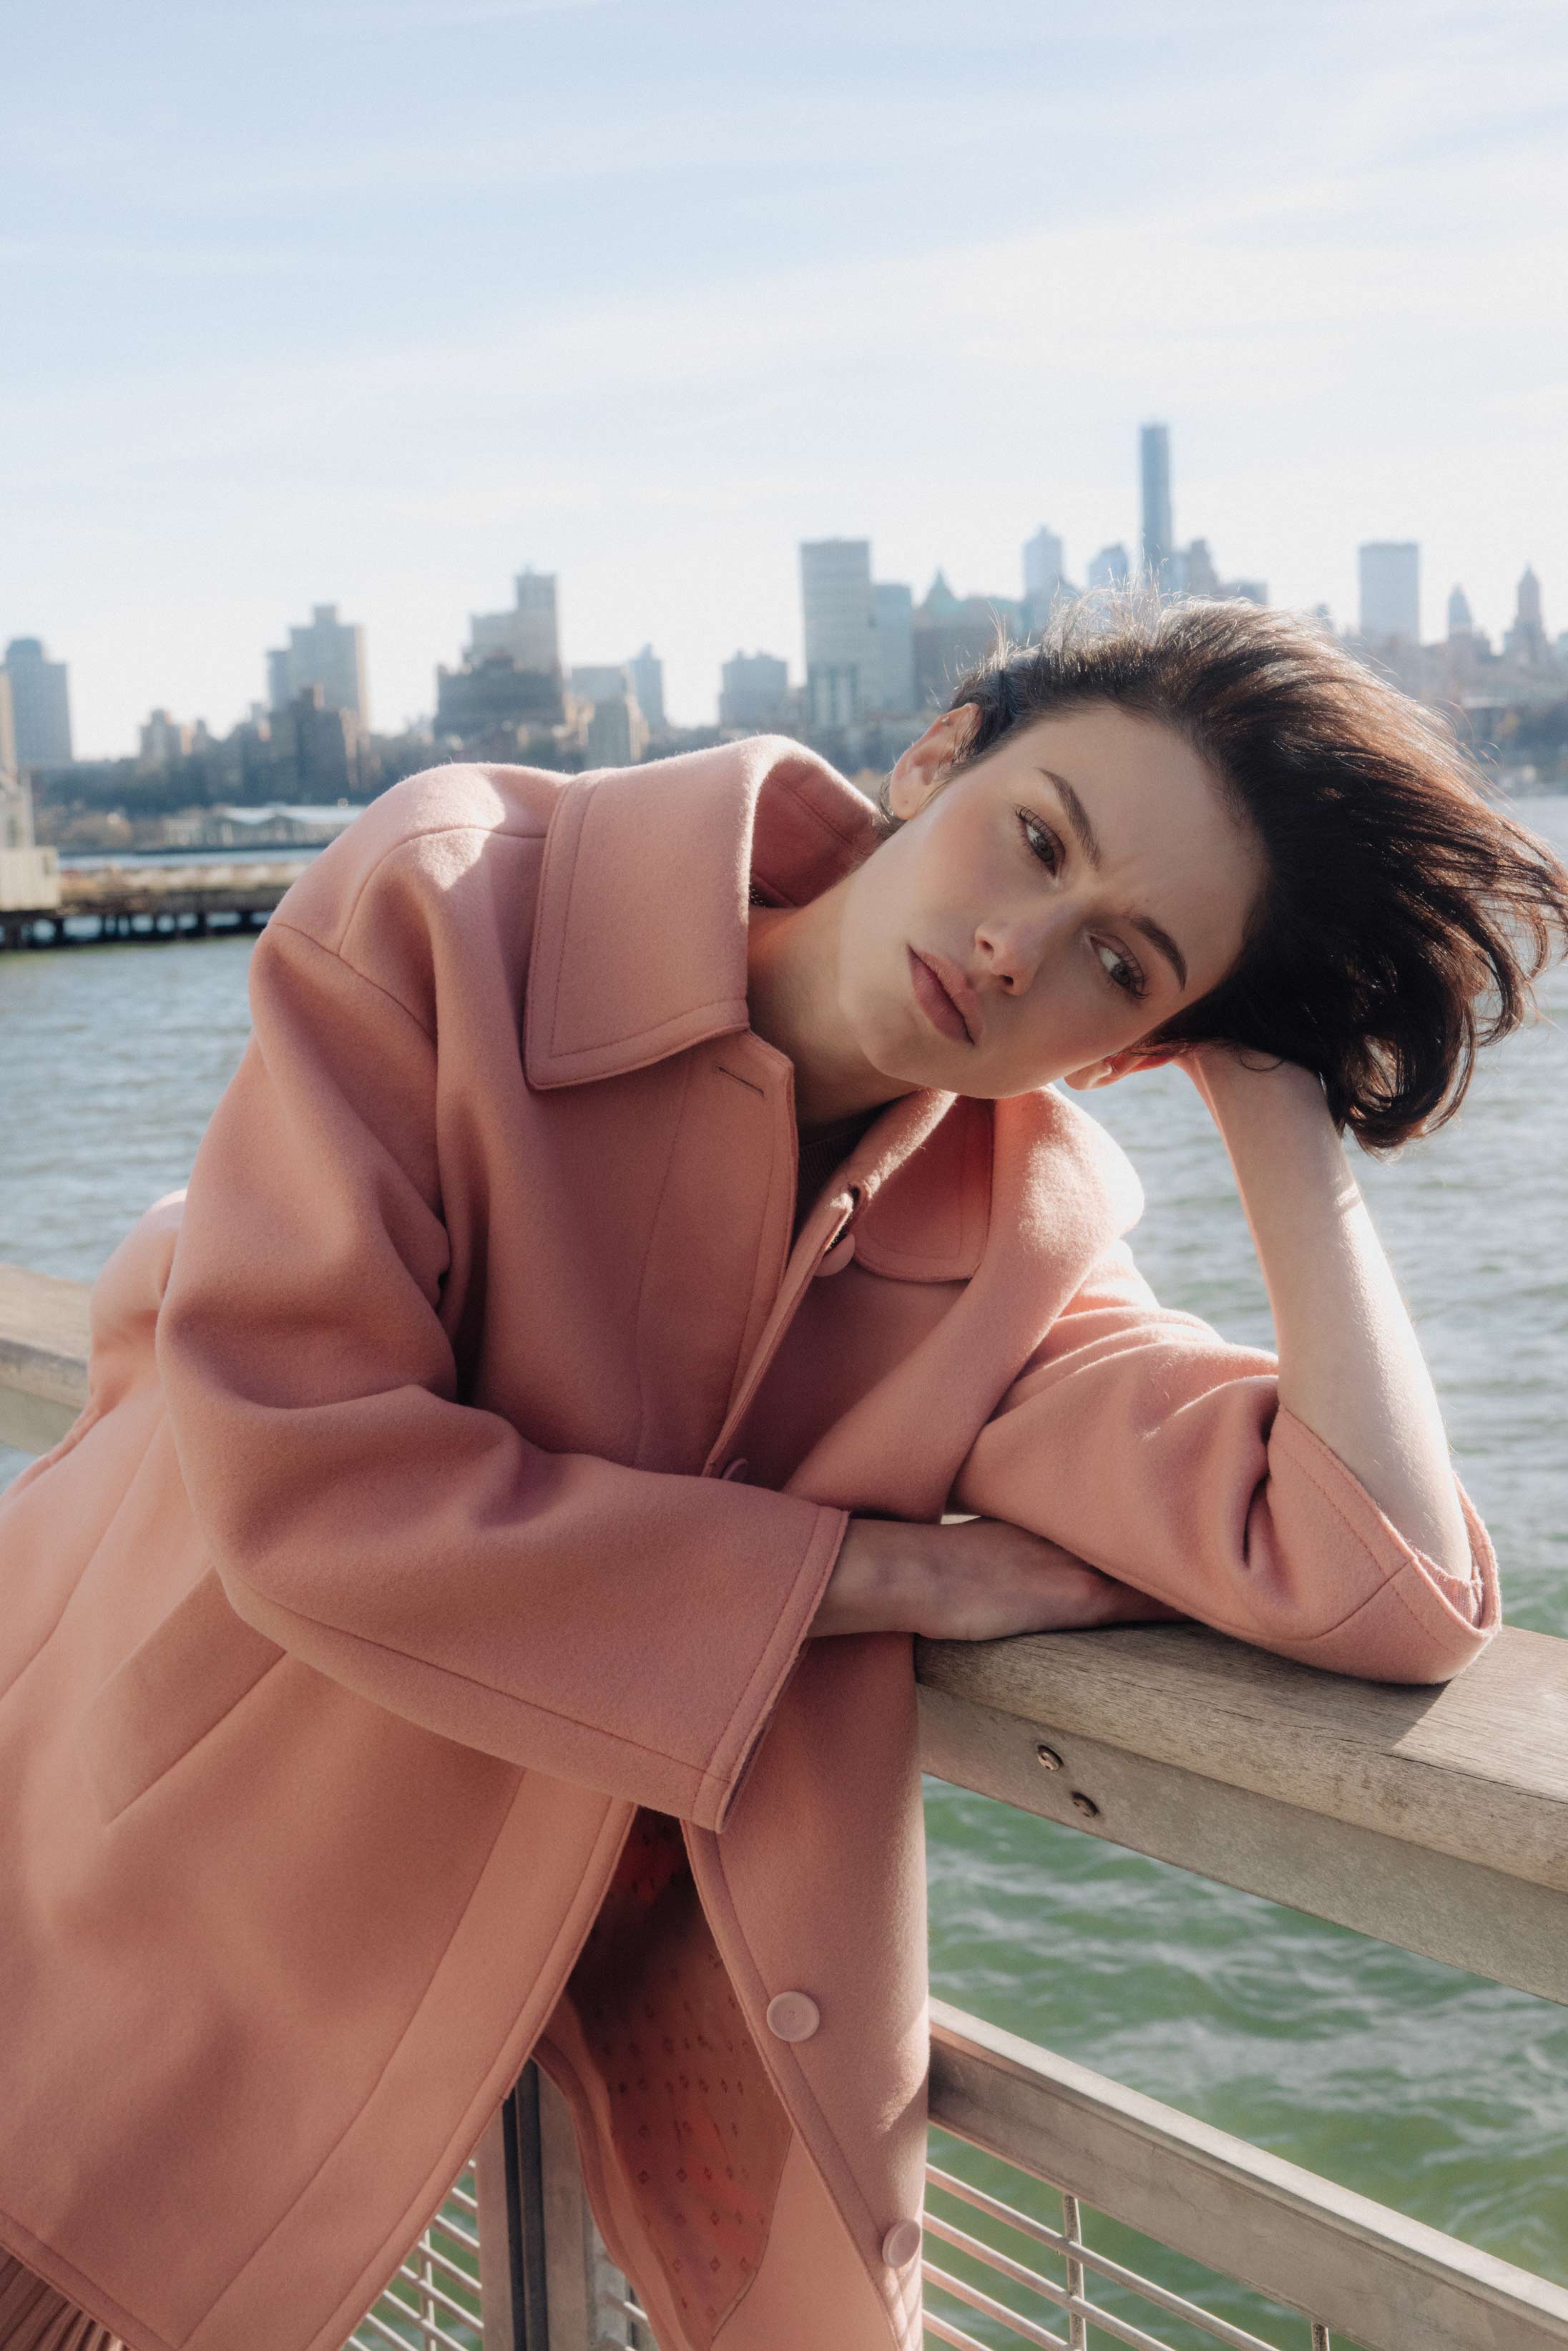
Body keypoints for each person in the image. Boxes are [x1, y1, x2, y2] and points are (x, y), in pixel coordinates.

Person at [1, 596, 1564, 2351]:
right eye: (1035, 835)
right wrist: (859, 1573)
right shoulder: (459, 897)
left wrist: (1279, 1105)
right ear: (933, 753)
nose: (1014, 945)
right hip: (87, 1857)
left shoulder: (1014, 1250)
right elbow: (305, 1478)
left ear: (1134, 1053)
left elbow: (1388, 1581)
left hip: (400, 2012)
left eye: (1122, 964)